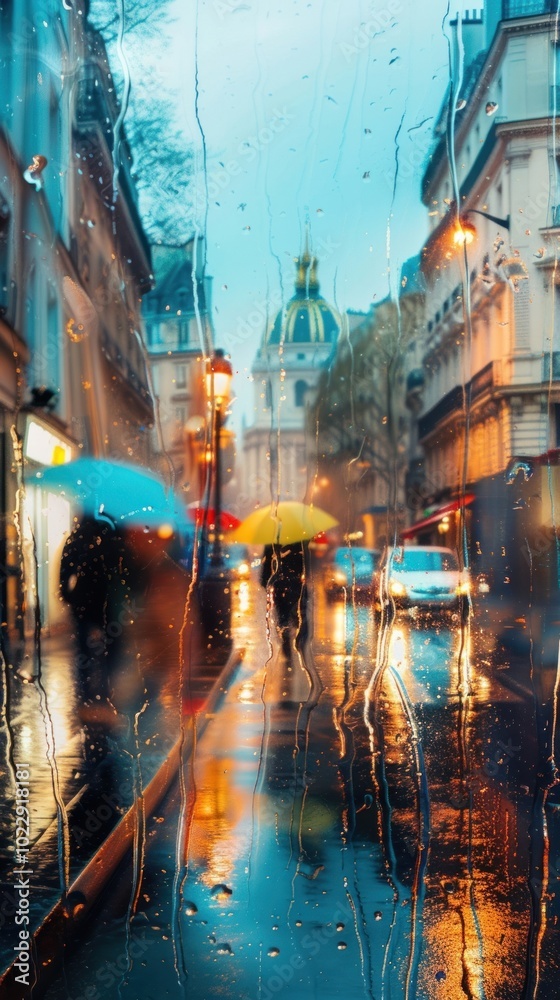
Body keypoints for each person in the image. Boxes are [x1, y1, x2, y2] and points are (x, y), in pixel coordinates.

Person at [59, 514, 130, 709]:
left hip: (83, 598)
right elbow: (122, 569)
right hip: (107, 599)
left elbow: (66, 570)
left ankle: (86, 693)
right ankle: (107, 688)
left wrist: (67, 594)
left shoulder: (77, 537)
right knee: (112, 644)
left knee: (83, 646)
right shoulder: (112, 537)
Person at [260, 541, 310, 658]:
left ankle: (288, 639)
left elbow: (267, 561)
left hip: (287, 583)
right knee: (290, 613)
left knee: (287, 614)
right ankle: (290, 640)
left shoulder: (274, 539)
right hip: (288, 583)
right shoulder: (300, 541)